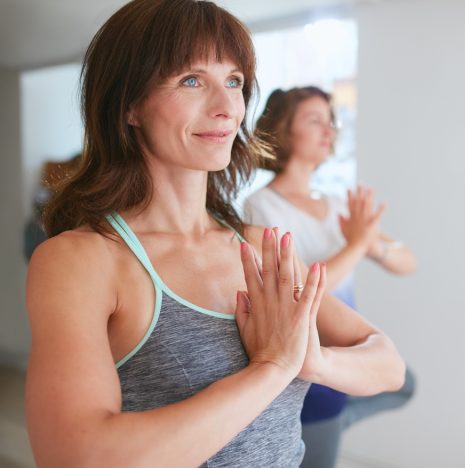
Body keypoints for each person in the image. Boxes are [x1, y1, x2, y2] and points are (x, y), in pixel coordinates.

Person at [24, 2, 406, 467]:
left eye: (234, 82)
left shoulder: (263, 247)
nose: (227, 108)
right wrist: (271, 369)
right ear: (129, 105)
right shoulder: (82, 260)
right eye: (191, 80)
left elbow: (388, 363)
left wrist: (313, 362)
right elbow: (75, 456)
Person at [243, 86, 417, 468]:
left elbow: (407, 262)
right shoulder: (261, 208)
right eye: (314, 120)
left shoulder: (336, 205)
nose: (328, 131)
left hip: (345, 352)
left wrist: (371, 245)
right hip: (307, 361)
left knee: (407, 384)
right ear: (284, 131)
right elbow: (304, 292)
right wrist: (356, 244)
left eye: (331, 122)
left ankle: (337, 425)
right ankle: (331, 427)